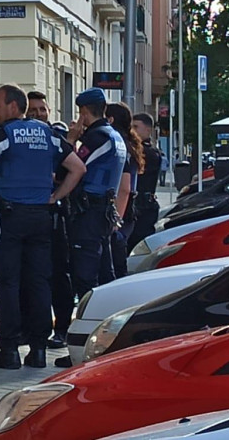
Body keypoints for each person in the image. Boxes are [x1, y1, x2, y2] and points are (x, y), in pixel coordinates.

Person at [0, 85, 85, 369]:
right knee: (39, 282)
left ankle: (9, 350)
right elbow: (78, 168)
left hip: (10, 216)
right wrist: (56, 196)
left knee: (9, 283)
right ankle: (38, 349)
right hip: (41, 217)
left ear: (12, 106)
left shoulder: (4, 134)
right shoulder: (49, 134)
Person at [64, 88, 127, 300]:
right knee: (104, 270)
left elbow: (69, 169)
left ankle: (88, 323)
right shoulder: (115, 136)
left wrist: (71, 140)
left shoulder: (96, 137)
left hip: (89, 211)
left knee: (85, 273)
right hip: (105, 211)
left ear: (83, 111)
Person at [27, 92, 72, 349]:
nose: (38, 114)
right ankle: (34, 328)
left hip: (55, 217)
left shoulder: (56, 138)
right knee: (32, 276)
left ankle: (62, 327)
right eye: (33, 110)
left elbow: (73, 170)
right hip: (29, 216)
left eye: (42, 109)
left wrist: (56, 194)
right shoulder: (19, 137)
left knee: (58, 275)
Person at [104, 103, 145, 280]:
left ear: (110, 120)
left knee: (114, 260)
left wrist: (116, 221)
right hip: (128, 210)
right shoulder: (129, 144)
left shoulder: (117, 143)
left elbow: (124, 188)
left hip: (121, 210)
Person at [129, 113, 164, 250]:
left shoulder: (150, 153)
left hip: (144, 207)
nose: (132, 130)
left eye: (136, 127)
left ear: (148, 130)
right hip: (136, 206)